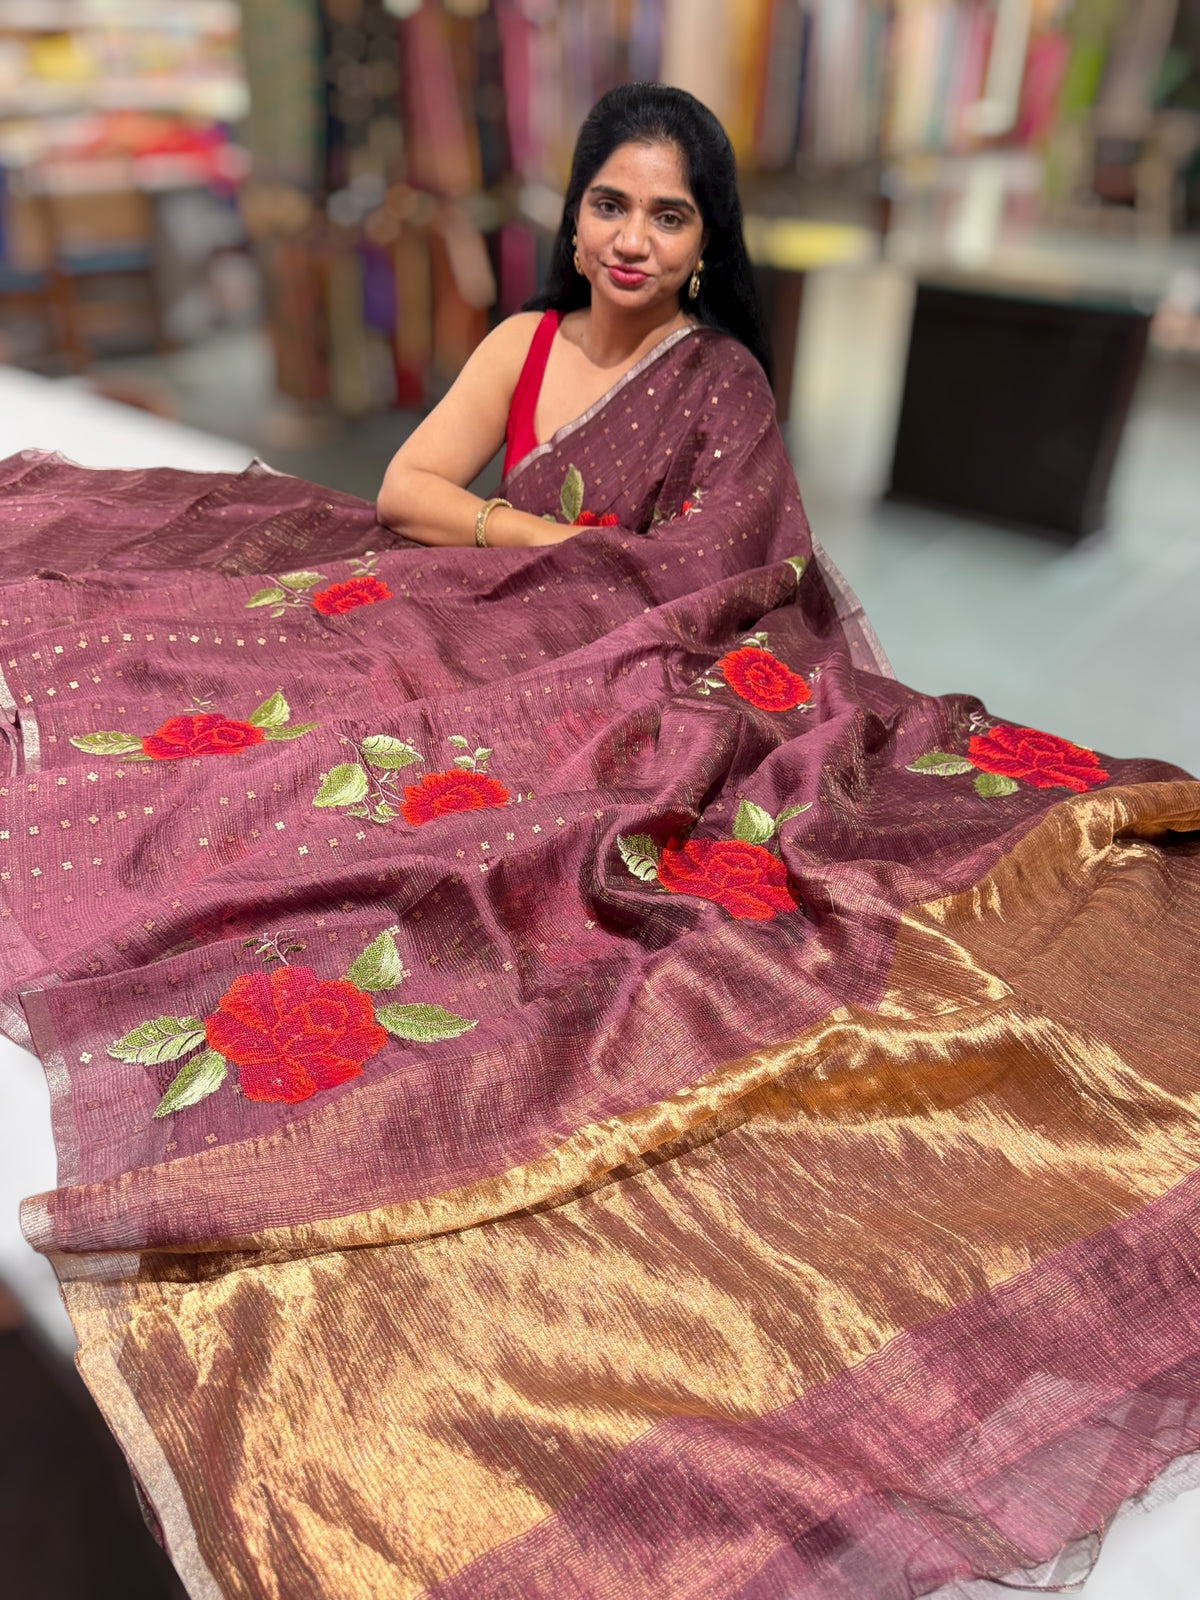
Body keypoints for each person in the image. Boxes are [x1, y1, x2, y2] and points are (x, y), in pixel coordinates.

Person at [1, 84, 1199, 1600]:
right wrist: (543, 551)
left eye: (669, 214)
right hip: (504, 617)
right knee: (246, 727)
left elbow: (729, 578)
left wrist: (576, 592)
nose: (633, 238)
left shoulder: (722, 384)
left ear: (705, 243)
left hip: (655, 662)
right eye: (611, 204)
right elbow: (406, 489)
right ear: (573, 217)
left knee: (598, 819)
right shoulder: (523, 342)